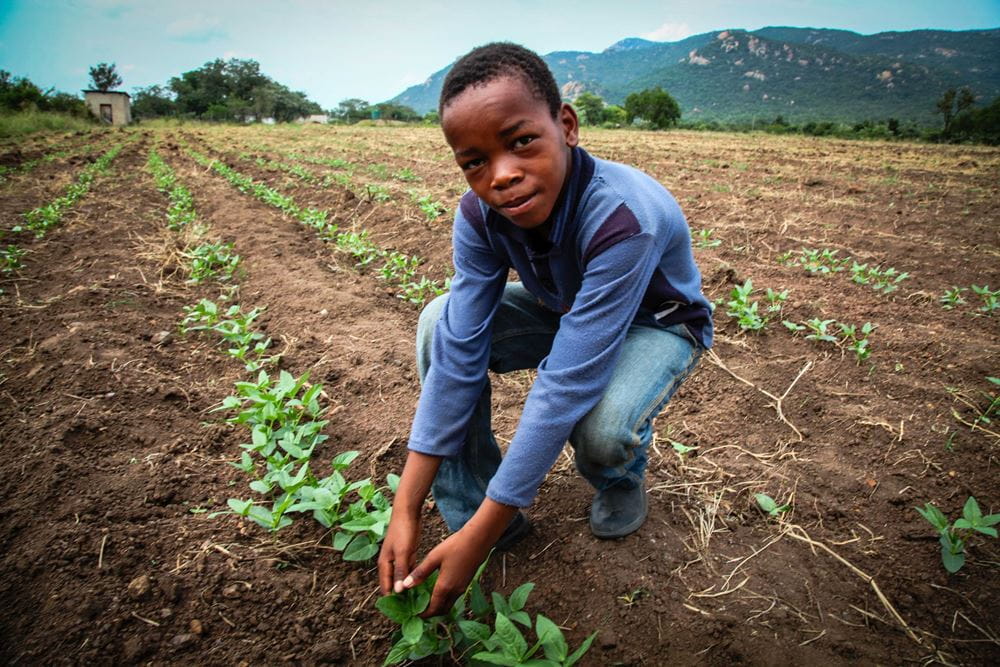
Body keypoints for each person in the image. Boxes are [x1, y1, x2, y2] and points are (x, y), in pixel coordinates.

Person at [377, 42, 713, 616]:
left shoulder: (621, 217)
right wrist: (405, 505)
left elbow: (563, 385)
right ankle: (472, 504)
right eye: (474, 161)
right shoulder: (480, 217)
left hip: (655, 324)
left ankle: (619, 479)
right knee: (440, 322)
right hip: (569, 312)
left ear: (566, 125)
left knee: (601, 428)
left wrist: (483, 534)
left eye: (521, 141)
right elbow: (459, 355)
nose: (502, 175)